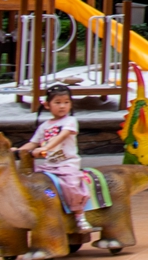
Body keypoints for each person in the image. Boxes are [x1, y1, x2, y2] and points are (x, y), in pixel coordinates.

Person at [19, 84, 98, 239]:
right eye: (58, 102)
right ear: (47, 105)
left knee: (72, 185)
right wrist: (18, 150)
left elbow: (61, 136)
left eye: (66, 102)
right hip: (50, 166)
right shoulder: (44, 126)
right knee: (41, 186)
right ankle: (50, 205)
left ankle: (79, 214)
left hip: (67, 164)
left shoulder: (70, 121)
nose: (62, 106)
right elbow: (33, 143)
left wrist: (46, 148)